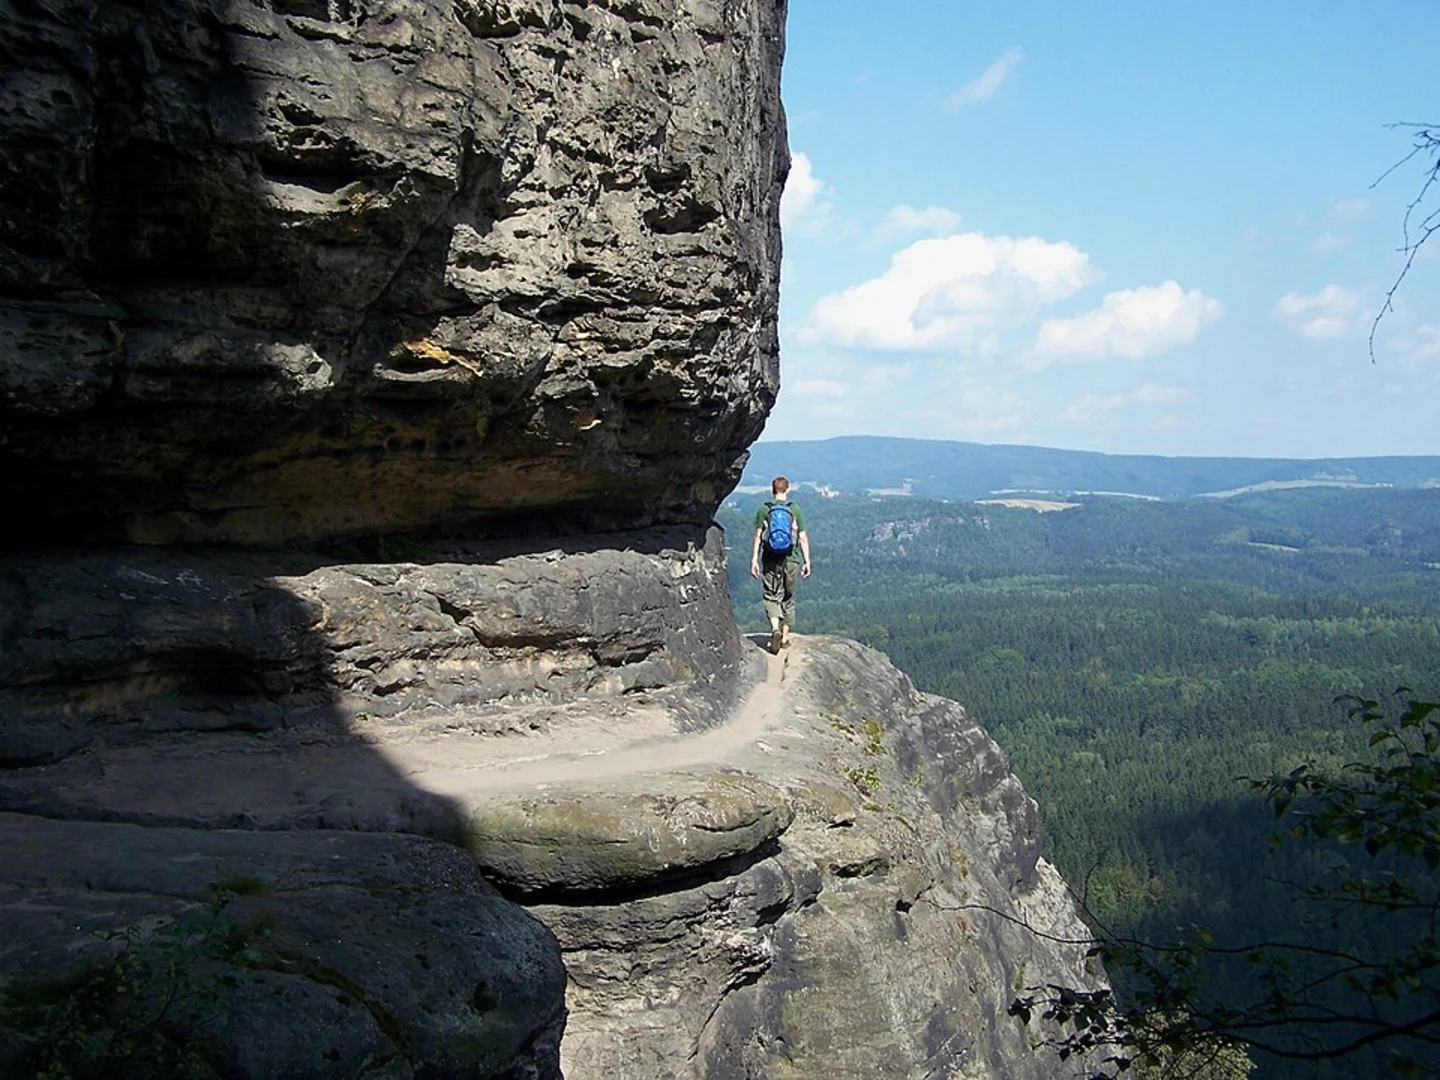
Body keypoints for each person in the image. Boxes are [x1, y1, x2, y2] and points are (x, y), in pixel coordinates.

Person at [749, 475, 812, 653]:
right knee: (788, 597)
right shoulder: (795, 510)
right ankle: (784, 637)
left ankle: (774, 628)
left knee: (771, 595)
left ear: (772, 490)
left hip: (770, 559)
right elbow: (802, 538)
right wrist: (807, 561)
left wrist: (754, 559)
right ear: (788, 489)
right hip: (791, 559)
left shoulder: (764, 510)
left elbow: (758, 536)